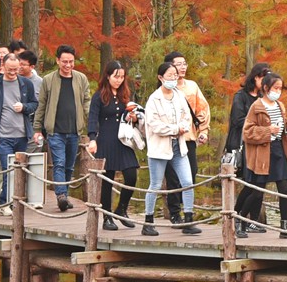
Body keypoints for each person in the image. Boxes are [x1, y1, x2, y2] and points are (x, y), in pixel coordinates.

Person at [140, 58, 203, 236]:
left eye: (175, 75)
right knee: (155, 184)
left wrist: (182, 127)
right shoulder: (154, 99)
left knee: (187, 182)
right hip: (160, 148)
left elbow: (187, 115)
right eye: (170, 75)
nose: (173, 78)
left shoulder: (179, 95)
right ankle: (148, 220)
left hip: (179, 145)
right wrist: (175, 128)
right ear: (160, 77)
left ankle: (189, 218)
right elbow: (154, 125)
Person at [0, 52, 40, 211]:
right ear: (3, 67)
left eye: (16, 69)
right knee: (8, 168)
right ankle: (6, 203)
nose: (13, 72)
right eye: (10, 69)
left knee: (18, 169)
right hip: (2, 135)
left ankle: (9, 201)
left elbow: (34, 104)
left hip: (22, 134)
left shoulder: (26, 84)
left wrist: (24, 107)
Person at [240, 72, 287, 238]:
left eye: (280, 88)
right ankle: (241, 220)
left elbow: (282, 123)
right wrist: (267, 130)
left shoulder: (280, 105)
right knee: (258, 191)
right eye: (275, 88)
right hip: (263, 153)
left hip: (279, 150)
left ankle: (284, 226)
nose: (278, 91)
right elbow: (247, 132)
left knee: (284, 189)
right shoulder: (256, 107)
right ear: (266, 88)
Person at [33, 45, 90, 212]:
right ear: (58, 61)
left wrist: (92, 124)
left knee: (70, 166)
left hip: (74, 130)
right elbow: (41, 105)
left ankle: (65, 193)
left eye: (71, 61)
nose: (68, 65)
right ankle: (61, 196)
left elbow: (86, 102)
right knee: (59, 163)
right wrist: (37, 128)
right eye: (64, 61)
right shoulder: (48, 80)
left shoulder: (81, 79)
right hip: (55, 130)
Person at [156, 51, 212, 225]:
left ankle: (186, 209)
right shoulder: (161, 92)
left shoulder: (192, 86)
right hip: (169, 139)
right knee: (172, 177)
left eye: (184, 63)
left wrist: (203, 131)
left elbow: (202, 110)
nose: (182, 67)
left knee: (191, 172)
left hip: (189, 138)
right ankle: (175, 213)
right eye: (178, 64)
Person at [86, 60, 140, 230]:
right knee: (107, 179)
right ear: (108, 76)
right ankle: (107, 216)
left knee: (131, 174)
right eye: (116, 77)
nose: (119, 80)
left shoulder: (125, 95)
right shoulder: (99, 96)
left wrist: (134, 117)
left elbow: (131, 114)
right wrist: (92, 138)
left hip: (123, 139)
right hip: (106, 139)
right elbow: (93, 118)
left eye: (122, 77)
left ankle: (122, 209)